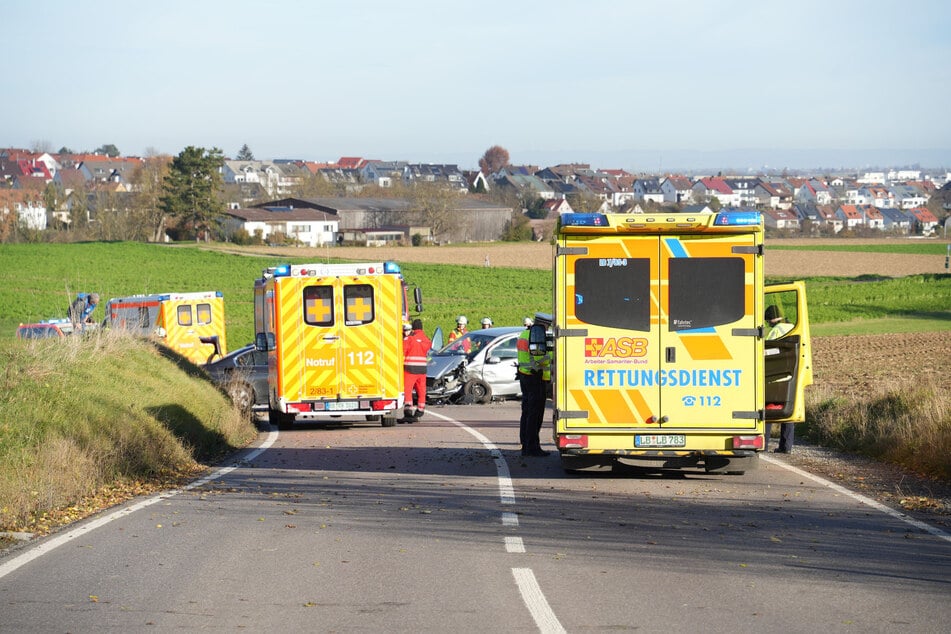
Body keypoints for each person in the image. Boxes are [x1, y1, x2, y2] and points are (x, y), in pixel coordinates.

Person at [517, 313, 552, 457]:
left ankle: (526, 443)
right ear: (543, 324)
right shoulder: (536, 335)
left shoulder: (524, 334)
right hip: (534, 377)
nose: (547, 328)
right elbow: (539, 357)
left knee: (527, 412)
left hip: (525, 375)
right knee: (535, 414)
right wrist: (552, 357)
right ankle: (532, 447)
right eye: (547, 326)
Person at [400, 318, 432, 424]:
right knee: (421, 390)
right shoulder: (427, 340)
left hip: (410, 368)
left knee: (408, 390)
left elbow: (402, 352)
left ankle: (408, 412)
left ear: (413, 328)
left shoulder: (409, 339)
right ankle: (420, 411)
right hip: (422, 369)